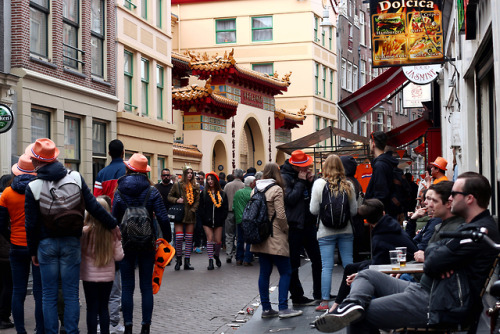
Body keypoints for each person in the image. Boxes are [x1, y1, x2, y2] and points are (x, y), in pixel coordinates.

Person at [314, 172, 500, 333]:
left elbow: (432, 261)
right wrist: (436, 253)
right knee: (367, 274)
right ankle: (351, 305)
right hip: (426, 289)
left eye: (454, 194)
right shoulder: (470, 228)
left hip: (436, 302)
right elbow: (432, 253)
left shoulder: (478, 232)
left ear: (470, 198)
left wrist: (435, 255)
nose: (450, 198)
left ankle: (351, 310)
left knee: (360, 317)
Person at [25, 138, 119, 334]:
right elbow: (94, 206)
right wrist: (113, 225)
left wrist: (32, 251)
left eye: (34, 159)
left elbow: (31, 224)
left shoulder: (33, 187)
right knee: (71, 294)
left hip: (46, 244)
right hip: (71, 243)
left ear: (37, 162)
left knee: (48, 295)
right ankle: (71, 331)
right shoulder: (75, 177)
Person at [112, 153, 170, 334]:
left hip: (126, 243)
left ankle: (128, 326)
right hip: (147, 244)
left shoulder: (119, 191)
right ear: (145, 172)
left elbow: (114, 219)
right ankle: (146, 327)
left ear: (128, 169)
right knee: (146, 286)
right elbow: (163, 218)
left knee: (127, 287)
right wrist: (166, 240)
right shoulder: (152, 191)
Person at [329, 199, 418, 312]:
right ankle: (337, 305)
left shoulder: (380, 237)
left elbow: (377, 265)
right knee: (350, 268)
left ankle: (342, 307)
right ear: (383, 213)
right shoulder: (390, 224)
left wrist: (360, 274)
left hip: (402, 266)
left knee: (357, 272)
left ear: (368, 221)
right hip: (396, 261)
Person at [250, 163, 303, 319]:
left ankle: (266, 309)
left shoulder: (255, 189)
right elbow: (280, 215)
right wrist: (286, 229)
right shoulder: (277, 189)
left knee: (264, 273)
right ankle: (283, 308)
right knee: (286, 271)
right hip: (276, 236)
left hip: (260, 236)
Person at [309, 154, 358, 312]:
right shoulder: (348, 184)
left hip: (325, 231)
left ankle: (324, 301)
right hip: (346, 230)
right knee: (349, 265)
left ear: (325, 167)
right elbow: (354, 211)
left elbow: (313, 210)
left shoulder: (318, 184)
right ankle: (352, 297)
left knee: (327, 267)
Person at [0, 157, 41, 333]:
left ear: (16, 172)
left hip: (16, 246)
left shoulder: (7, 193)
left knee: (18, 290)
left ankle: (21, 330)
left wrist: (12, 238)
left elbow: (1, 224)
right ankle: (40, 328)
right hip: (38, 246)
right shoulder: (40, 190)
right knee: (40, 291)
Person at [92, 139, 126, 334]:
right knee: (119, 272)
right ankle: (115, 319)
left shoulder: (102, 174)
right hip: (123, 225)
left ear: (109, 152)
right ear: (122, 152)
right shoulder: (127, 172)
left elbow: (97, 201)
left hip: (105, 225)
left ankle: (100, 319)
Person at [281, 150, 322, 306]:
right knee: (293, 264)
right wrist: (300, 182)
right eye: (304, 167)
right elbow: (290, 199)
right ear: (296, 167)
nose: (306, 169)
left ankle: (319, 292)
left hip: (308, 223)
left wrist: (310, 182)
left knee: (317, 259)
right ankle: (297, 297)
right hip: (294, 226)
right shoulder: (285, 177)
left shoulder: (302, 177)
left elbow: (310, 198)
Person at [81, 196, 124, 334]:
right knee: (103, 307)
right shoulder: (112, 232)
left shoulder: (84, 231)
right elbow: (119, 256)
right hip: (107, 276)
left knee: (91, 308)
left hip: (89, 275)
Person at [413, 181, 464, 262]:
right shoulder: (441, 225)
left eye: (434, 201)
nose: (429, 204)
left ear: (448, 203)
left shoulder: (455, 229)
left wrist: (427, 258)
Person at [168, 166, 200, 270]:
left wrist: (193, 210)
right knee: (179, 238)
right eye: (188, 173)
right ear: (184, 174)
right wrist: (177, 200)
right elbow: (169, 197)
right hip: (180, 215)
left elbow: (197, 201)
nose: (190, 174)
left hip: (190, 215)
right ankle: (178, 260)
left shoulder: (195, 186)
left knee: (189, 239)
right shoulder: (177, 185)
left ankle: (187, 262)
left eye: (191, 173)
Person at [364, 131, 400, 218]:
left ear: (373, 144)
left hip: (382, 215)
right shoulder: (387, 162)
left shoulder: (380, 165)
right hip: (389, 212)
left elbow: (381, 192)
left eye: (369, 142)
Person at [197, 172, 229, 270]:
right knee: (210, 239)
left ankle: (216, 255)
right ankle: (210, 261)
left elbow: (225, 208)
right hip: (207, 221)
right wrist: (204, 217)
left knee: (218, 241)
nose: (210, 181)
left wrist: (222, 217)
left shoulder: (222, 194)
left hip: (218, 221)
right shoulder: (204, 194)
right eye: (209, 179)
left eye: (212, 179)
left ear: (216, 180)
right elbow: (200, 208)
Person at [233, 176, 256, 266]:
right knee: (249, 240)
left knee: (240, 239)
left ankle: (239, 258)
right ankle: (247, 259)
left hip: (239, 219)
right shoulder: (253, 193)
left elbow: (234, 206)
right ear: (251, 184)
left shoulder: (238, 193)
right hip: (249, 220)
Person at [223, 169, 245, 263]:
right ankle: (238, 255)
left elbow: (223, 198)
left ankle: (229, 254)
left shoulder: (227, 185)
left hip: (229, 212)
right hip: (240, 212)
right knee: (239, 235)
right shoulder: (243, 185)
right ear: (241, 176)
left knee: (229, 234)